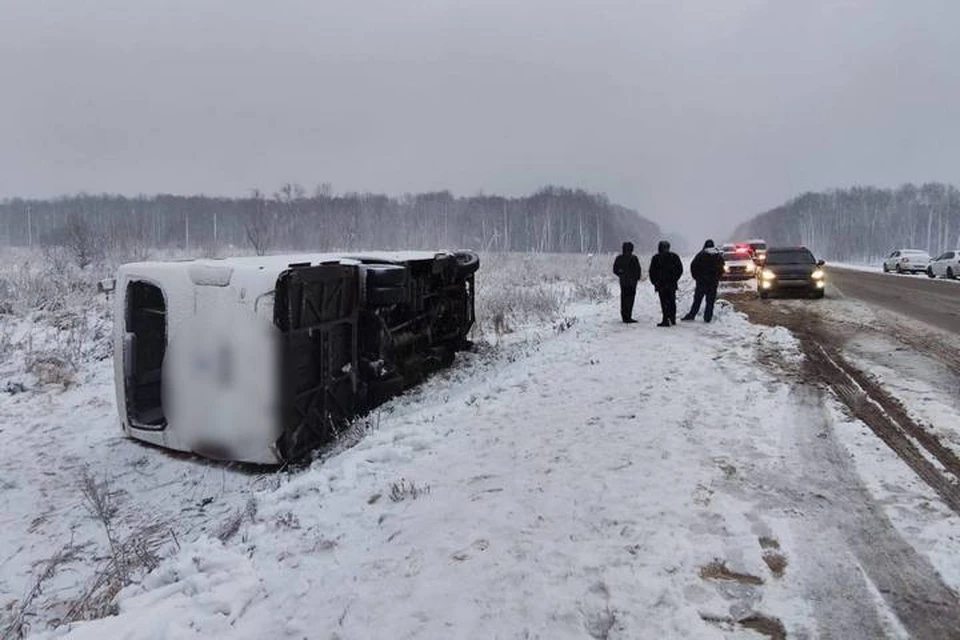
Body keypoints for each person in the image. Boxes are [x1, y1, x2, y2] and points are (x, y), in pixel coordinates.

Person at [682, 239, 725, 323]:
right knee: (710, 301)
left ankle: (692, 315)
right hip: (713, 283)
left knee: (697, 300)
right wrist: (717, 277)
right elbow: (721, 269)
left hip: (701, 282)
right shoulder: (718, 256)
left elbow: (693, 266)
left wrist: (697, 278)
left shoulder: (701, 254)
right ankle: (707, 318)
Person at [648, 240, 683, 326]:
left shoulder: (656, 258)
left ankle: (665, 320)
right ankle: (672, 319)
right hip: (671, 284)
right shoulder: (674, 256)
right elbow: (680, 270)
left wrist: (654, 282)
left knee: (664, 302)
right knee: (672, 301)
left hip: (661, 284)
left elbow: (652, 271)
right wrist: (675, 279)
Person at [612, 241, 642, 323]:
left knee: (624, 299)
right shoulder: (634, 258)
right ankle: (628, 316)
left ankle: (624, 316)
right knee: (630, 299)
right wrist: (636, 278)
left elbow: (615, 269)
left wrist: (621, 274)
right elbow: (638, 270)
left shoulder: (619, 258)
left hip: (623, 282)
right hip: (632, 283)